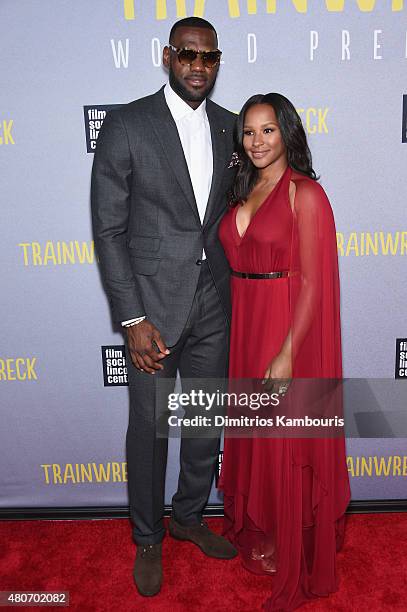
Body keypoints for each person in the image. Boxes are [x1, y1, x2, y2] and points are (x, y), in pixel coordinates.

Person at [91, 17, 238, 598]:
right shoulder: (127, 124)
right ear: (167, 57)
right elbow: (109, 230)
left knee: (203, 421)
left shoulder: (231, 129)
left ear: (217, 62)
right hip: (151, 309)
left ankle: (189, 516)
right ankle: (148, 537)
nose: (198, 66)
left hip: (215, 303)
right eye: (187, 55)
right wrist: (131, 319)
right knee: (150, 429)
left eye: (209, 57)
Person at [218, 93, 351, 610]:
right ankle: (268, 530)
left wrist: (289, 352)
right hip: (246, 324)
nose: (256, 141)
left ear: (287, 132)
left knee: (286, 441)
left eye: (268, 131)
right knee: (257, 439)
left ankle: (293, 547)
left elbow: (316, 282)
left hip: (284, 325)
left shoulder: (306, 194)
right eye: (248, 132)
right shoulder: (243, 186)